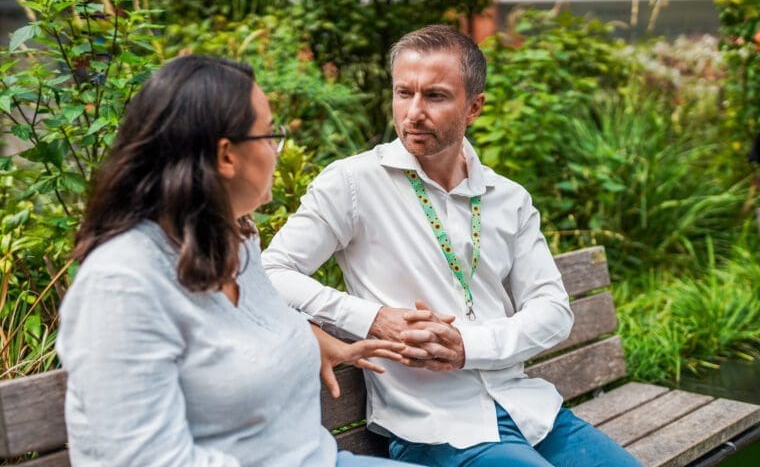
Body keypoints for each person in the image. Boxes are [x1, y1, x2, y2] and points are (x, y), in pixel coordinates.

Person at [262, 26, 642, 467]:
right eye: (404, 93)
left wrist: (468, 345)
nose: (414, 112)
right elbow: (271, 272)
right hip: (435, 428)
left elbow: (554, 312)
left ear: (474, 107)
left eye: (436, 96)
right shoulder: (351, 183)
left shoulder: (508, 198)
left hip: (531, 413)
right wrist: (374, 318)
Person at [55, 55, 422, 467]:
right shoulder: (121, 284)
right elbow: (141, 459)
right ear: (226, 155)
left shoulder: (233, 238)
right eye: (269, 136)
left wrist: (307, 337)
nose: (277, 152)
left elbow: (234, 330)